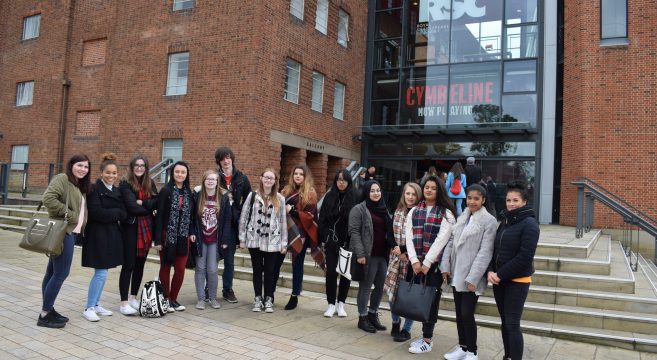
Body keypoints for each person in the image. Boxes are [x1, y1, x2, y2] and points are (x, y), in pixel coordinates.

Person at [440, 184, 497, 360]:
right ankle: (463, 347)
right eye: (469, 198)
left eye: (476, 198)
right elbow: (451, 242)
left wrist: (474, 277)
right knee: (458, 312)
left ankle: (472, 351)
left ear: (483, 200)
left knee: (466, 313)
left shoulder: (489, 221)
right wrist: (445, 266)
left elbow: (485, 252)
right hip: (456, 272)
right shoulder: (463, 217)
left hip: (472, 276)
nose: (472, 201)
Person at [487, 181, 539, 360]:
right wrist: (490, 271)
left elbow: (524, 257)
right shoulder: (505, 222)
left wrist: (499, 274)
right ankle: (508, 356)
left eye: (515, 200)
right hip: (499, 280)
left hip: (517, 281)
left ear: (524, 201)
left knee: (512, 323)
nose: (511, 204)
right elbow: (495, 250)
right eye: (508, 200)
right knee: (504, 322)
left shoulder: (530, 224)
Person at [404, 175, 456, 354]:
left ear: (439, 190)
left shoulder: (446, 213)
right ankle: (423, 336)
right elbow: (408, 237)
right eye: (426, 187)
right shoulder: (414, 211)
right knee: (420, 300)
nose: (429, 190)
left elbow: (442, 240)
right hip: (416, 265)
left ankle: (428, 340)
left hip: (434, 267)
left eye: (433, 188)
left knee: (431, 302)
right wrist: (414, 261)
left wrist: (426, 263)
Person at [38, 154, 91, 328]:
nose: (83, 169)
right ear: (71, 165)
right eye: (79, 165)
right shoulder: (62, 179)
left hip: (70, 233)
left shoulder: (79, 185)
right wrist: (70, 215)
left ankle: (48, 308)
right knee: (61, 273)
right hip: (62, 232)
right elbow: (48, 199)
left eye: (86, 167)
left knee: (52, 272)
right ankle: (45, 314)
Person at [81, 153, 127, 322]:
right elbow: (97, 213)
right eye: (108, 172)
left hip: (111, 235)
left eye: (114, 173)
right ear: (101, 173)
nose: (111, 176)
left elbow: (123, 213)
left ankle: (97, 304)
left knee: (104, 272)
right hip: (97, 235)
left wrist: (114, 214)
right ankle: (89, 307)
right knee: (100, 273)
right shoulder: (93, 189)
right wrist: (115, 214)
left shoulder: (116, 190)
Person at [349, 180, 399, 333]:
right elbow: (354, 232)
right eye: (372, 191)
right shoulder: (359, 209)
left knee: (379, 287)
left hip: (382, 256)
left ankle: (372, 314)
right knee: (365, 287)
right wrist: (360, 254)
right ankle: (362, 318)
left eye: (378, 190)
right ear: (366, 192)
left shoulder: (384, 209)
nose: (376, 193)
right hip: (367, 256)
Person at [238, 168, 287, 313]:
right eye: (266, 177)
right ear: (261, 178)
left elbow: (283, 221)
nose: (268, 180)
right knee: (257, 270)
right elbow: (244, 217)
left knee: (271, 270)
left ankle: (269, 298)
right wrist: (242, 238)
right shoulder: (252, 196)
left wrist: (284, 243)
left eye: (271, 178)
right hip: (255, 240)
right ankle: (258, 298)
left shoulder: (280, 199)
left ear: (275, 181)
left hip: (273, 241)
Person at [118, 155, 159, 316]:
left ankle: (133, 296)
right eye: (136, 165)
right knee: (128, 264)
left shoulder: (150, 183)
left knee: (140, 264)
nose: (139, 168)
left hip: (147, 229)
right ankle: (123, 303)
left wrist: (145, 203)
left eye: (142, 165)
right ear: (132, 166)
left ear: (146, 167)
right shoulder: (125, 183)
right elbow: (132, 208)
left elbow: (158, 201)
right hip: (131, 228)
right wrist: (149, 208)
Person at [154, 161, 195, 312]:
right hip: (167, 236)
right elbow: (159, 217)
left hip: (183, 237)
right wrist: (157, 240)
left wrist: (191, 232)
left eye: (183, 172)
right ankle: (165, 299)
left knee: (180, 270)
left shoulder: (188, 193)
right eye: (177, 172)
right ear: (172, 173)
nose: (180, 174)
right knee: (165, 267)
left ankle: (173, 299)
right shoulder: (165, 191)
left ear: (186, 175)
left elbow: (190, 216)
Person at [278, 164, 320, 310]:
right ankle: (269, 293)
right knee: (276, 262)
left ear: (305, 177)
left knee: (297, 265)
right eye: (295, 173)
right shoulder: (285, 191)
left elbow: (310, 216)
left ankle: (294, 295)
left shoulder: (310, 194)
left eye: (301, 174)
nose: (297, 176)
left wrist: (293, 211)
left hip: (300, 234)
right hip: (284, 232)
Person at [319, 169, 359, 318]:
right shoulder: (329, 196)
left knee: (345, 274)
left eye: (344, 180)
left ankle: (341, 304)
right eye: (339, 179)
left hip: (348, 242)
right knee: (330, 273)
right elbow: (322, 218)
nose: (341, 182)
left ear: (349, 181)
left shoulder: (355, 196)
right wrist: (325, 238)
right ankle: (331, 303)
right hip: (331, 242)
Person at [384, 182, 422, 342]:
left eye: (414, 194)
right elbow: (389, 234)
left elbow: (418, 237)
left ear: (418, 196)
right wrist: (395, 248)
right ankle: (395, 322)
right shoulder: (398, 211)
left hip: (411, 261)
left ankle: (406, 330)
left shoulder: (420, 213)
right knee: (392, 294)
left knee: (408, 298)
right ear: (403, 195)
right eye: (408, 193)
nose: (410, 197)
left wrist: (404, 250)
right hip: (395, 259)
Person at [214, 147, 252, 304]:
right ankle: (209, 288)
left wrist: (240, 216)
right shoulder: (214, 177)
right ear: (219, 161)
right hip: (215, 223)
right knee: (212, 259)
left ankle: (227, 290)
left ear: (232, 159)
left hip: (231, 225)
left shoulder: (241, 178)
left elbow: (249, 200)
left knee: (229, 260)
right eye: (222, 158)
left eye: (228, 157)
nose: (226, 160)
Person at [192, 170, 232, 310]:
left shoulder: (223, 197)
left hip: (215, 238)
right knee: (200, 268)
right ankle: (201, 298)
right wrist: (192, 232)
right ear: (204, 181)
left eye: (213, 179)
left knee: (213, 269)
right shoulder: (197, 196)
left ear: (217, 182)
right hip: (201, 237)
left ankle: (213, 298)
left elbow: (227, 220)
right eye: (208, 179)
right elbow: (192, 217)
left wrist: (225, 239)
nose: (210, 181)